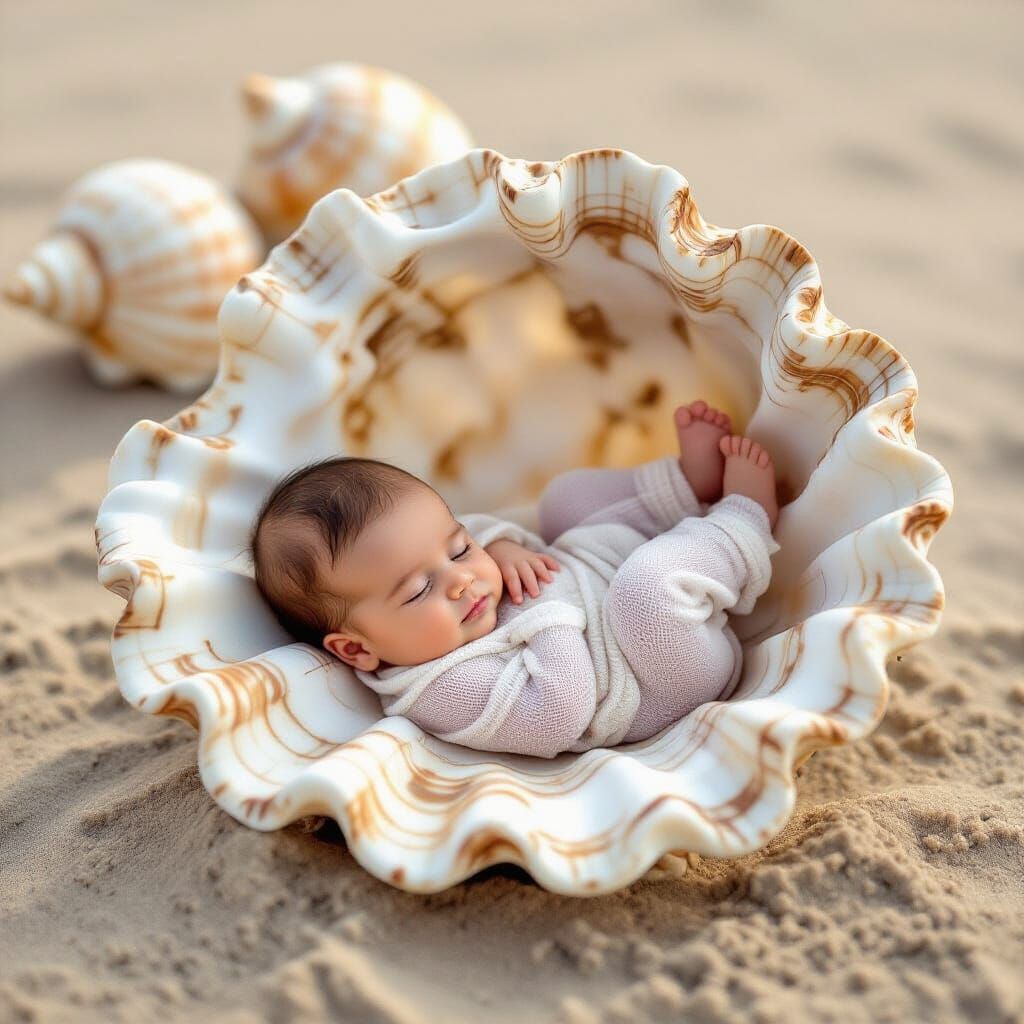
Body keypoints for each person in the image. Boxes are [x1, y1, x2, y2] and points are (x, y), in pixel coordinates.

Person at [251, 401, 780, 758]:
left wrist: (503, 547)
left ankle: (686, 487)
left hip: (595, 571)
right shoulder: (436, 689)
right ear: (356, 648)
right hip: (656, 673)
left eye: (458, 549)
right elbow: (556, 714)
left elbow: (480, 528)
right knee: (646, 592)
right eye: (417, 591)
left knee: (562, 500)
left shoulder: (458, 575)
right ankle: (744, 520)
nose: (461, 580)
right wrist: (546, 617)